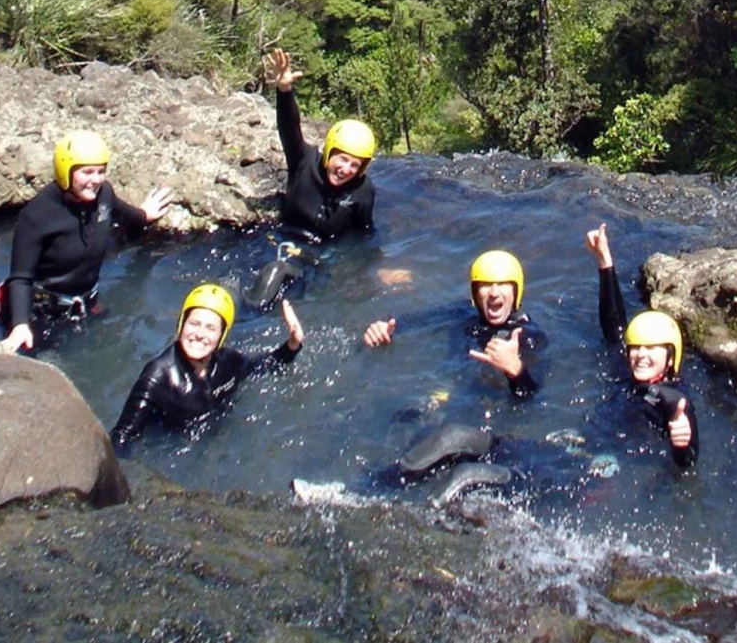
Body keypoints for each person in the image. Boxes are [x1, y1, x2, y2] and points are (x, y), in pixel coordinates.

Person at [0, 130, 173, 353]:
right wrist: (20, 325)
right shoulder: (37, 216)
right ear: (66, 172)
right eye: (87, 172)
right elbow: (20, 279)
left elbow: (123, 214)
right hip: (43, 315)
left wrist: (144, 215)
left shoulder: (104, 195)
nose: (96, 179)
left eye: (101, 171)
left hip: (86, 303)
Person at [110, 283, 304, 453]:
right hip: (171, 443)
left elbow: (264, 367)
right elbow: (122, 436)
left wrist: (292, 344)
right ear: (181, 325)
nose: (200, 334)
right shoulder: (157, 376)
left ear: (222, 336)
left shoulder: (229, 362)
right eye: (194, 324)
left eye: (211, 328)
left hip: (218, 441)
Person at [586, 223, 699, 467]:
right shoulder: (628, 374)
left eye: (651, 348)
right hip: (597, 447)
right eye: (636, 347)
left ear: (670, 357)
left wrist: (683, 447)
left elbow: (687, 463)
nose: (640, 355)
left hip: (627, 465)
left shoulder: (675, 400)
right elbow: (614, 329)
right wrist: (604, 260)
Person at [362, 250, 543, 398]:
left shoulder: (527, 335)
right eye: (486, 285)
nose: (494, 293)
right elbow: (418, 321)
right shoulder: (463, 312)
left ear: (516, 291)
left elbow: (531, 399)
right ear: (475, 292)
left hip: (487, 403)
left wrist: (516, 371)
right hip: (447, 391)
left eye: (503, 284)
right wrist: (385, 328)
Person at [264, 48, 376, 244]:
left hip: (323, 256)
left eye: (355, 165)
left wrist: (383, 266)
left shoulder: (363, 190)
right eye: (343, 159)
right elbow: (289, 129)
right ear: (329, 153)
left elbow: (364, 233)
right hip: (284, 240)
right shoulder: (304, 161)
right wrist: (284, 90)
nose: (346, 169)